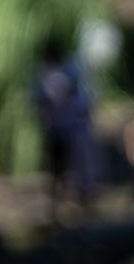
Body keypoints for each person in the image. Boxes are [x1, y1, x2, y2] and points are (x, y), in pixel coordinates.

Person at [29, 36, 99, 223]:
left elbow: (86, 99)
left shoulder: (72, 70)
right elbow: (37, 101)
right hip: (57, 129)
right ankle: (56, 210)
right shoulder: (43, 73)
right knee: (57, 169)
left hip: (74, 128)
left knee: (80, 169)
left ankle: (84, 208)